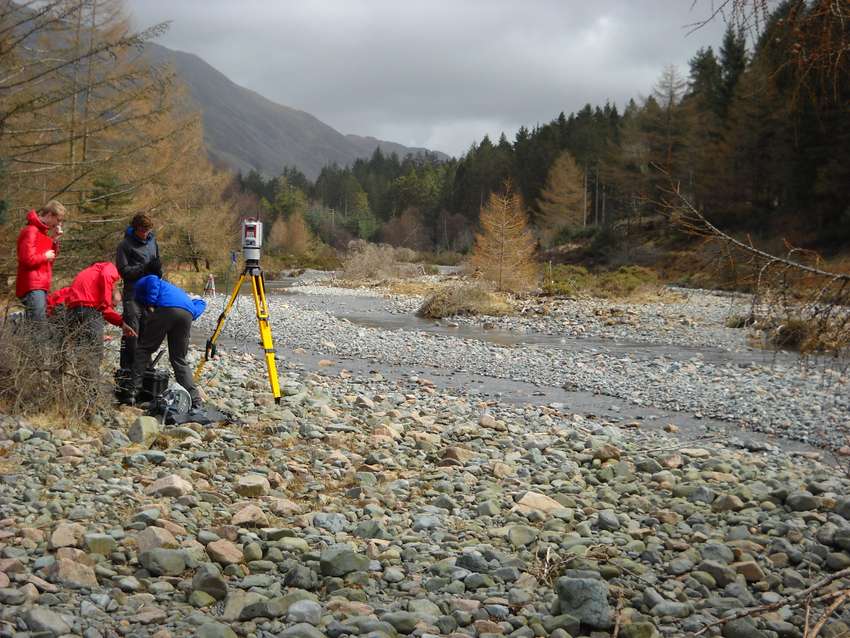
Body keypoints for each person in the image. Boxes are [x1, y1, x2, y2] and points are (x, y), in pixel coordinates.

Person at [47, 262, 137, 381]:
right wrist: (105, 303)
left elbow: (105, 311)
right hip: (86, 311)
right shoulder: (110, 268)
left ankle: (75, 386)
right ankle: (92, 392)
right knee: (94, 352)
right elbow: (106, 277)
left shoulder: (90, 278)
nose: (112, 308)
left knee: (82, 351)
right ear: (111, 290)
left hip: (73, 311)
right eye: (113, 305)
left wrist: (121, 323)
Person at [127, 275, 206, 410]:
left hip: (166, 309)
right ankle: (196, 400)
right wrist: (191, 315)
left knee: (144, 350)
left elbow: (152, 280)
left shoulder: (143, 282)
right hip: (186, 314)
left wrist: (151, 304)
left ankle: (133, 392)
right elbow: (199, 307)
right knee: (179, 359)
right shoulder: (182, 295)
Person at [116, 213, 162, 370]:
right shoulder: (125, 245)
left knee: (148, 332)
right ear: (134, 229)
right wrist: (144, 268)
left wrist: (157, 271)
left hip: (149, 294)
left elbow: (156, 264)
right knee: (132, 332)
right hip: (132, 294)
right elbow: (123, 271)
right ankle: (127, 369)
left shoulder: (152, 241)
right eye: (142, 230)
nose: (145, 234)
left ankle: (144, 368)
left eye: (148, 230)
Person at [16, 200, 66, 321]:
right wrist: (45, 256)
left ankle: (17, 324)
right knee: (38, 326)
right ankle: (15, 322)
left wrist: (54, 240)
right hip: (32, 285)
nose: (59, 224)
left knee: (36, 325)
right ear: (49, 215)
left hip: (40, 284)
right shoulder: (31, 231)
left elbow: (49, 262)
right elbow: (27, 259)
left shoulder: (42, 233)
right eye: (58, 220)